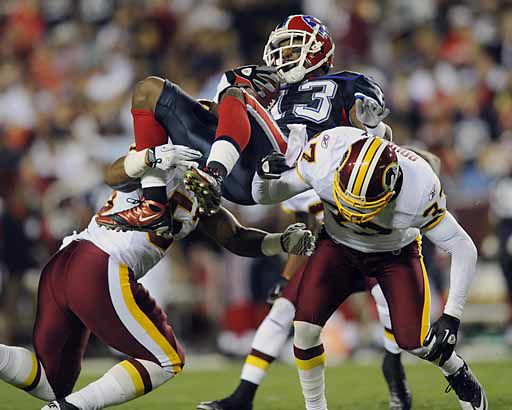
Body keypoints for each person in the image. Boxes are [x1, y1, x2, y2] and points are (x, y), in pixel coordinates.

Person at [0, 146, 315, 410]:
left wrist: (281, 242)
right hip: (99, 265)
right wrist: (148, 157)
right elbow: (114, 173)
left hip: (65, 263)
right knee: (166, 359)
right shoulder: (163, 157)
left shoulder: (197, 189)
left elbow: (235, 237)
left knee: (50, 382)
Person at [251, 127, 488, 410]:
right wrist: (261, 175)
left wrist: (452, 316)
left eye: (364, 207)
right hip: (337, 245)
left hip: (393, 255)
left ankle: (456, 370)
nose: (354, 213)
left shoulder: (419, 187)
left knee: (416, 341)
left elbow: (463, 247)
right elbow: (264, 195)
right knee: (304, 329)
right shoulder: (327, 154)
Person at [95, 14, 391, 231]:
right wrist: (228, 84)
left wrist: (373, 127)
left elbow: (373, 138)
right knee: (150, 90)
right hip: (241, 163)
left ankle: (212, 174)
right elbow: (217, 113)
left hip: (285, 163)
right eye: (280, 48)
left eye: (291, 48)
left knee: (238, 94)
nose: (281, 55)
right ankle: (153, 204)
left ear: (316, 49)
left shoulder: (348, 81)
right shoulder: (269, 84)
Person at [197, 189, 412, 410]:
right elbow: (304, 233)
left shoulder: (344, 159)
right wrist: (286, 277)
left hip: (369, 246)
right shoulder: (295, 177)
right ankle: (243, 395)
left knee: (387, 298)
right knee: (282, 311)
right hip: (329, 256)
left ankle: (394, 369)